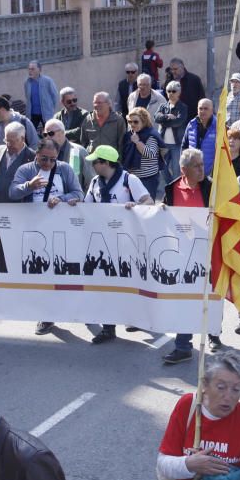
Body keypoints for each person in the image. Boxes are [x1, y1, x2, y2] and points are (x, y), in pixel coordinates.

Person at [157, 350, 240, 480]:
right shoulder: (188, 406)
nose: (228, 396)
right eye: (221, 387)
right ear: (204, 385)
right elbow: (163, 464)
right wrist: (189, 464)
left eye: (236, 389)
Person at [82, 145, 153, 344]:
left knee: (128, 283)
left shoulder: (129, 180)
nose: (93, 165)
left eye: (95, 162)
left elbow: (149, 202)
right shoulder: (95, 182)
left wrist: (135, 206)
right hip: (102, 242)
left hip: (126, 242)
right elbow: (86, 207)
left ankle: (134, 316)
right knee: (106, 285)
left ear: (105, 163)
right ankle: (108, 327)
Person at [162, 149, 221, 363]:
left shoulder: (212, 187)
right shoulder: (172, 188)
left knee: (211, 296)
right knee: (186, 300)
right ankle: (183, 345)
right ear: (183, 169)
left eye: (202, 165)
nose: (201, 169)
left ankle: (214, 333)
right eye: (196, 166)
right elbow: (164, 217)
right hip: (183, 255)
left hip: (209, 251)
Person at [0, 122, 36, 204]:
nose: (8, 145)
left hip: (18, 208)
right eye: (6, 140)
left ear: (23, 139)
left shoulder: (32, 157)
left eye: (12, 141)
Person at [122, 107, 163, 199]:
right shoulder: (128, 135)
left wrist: (137, 142)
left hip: (148, 179)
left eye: (135, 122)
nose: (132, 124)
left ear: (143, 121)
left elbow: (151, 154)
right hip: (132, 179)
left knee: (146, 207)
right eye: (130, 122)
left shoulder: (151, 135)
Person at [42, 118, 92, 192]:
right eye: (45, 134)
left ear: (62, 133)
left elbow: (90, 181)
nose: (48, 137)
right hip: (50, 200)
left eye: (51, 133)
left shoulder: (78, 151)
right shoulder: (42, 154)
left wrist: (82, 199)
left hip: (74, 201)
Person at [155, 81, 188, 183]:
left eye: (174, 91)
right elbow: (156, 118)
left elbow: (178, 122)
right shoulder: (163, 106)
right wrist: (167, 116)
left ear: (179, 93)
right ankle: (170, 186)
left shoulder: (183, 107)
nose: (171, 93)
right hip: (163, 144)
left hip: (176, 144)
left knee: (176, 171)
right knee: (162, 168)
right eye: (169, 91)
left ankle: (175, 191)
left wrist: (164, 122)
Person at [181, 98, 217, 176]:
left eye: (206, 109)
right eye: (200, 108)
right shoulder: (191, 124)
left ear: (212, 110)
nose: (203, 111)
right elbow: (184, 146)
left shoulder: (219, 126)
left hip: (211, 174)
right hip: (192, 172)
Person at [24, 60, 59, 130]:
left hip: (46, 113)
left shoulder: (47, 81)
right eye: (29, 69)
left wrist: (50, 109)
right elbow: (27, 97)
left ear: (39, 70)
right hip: (32, 114)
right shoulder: (27, 82)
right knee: (30, 133)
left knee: (49, 132)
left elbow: (55, 96)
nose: (30, 71)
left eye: (33, 69)